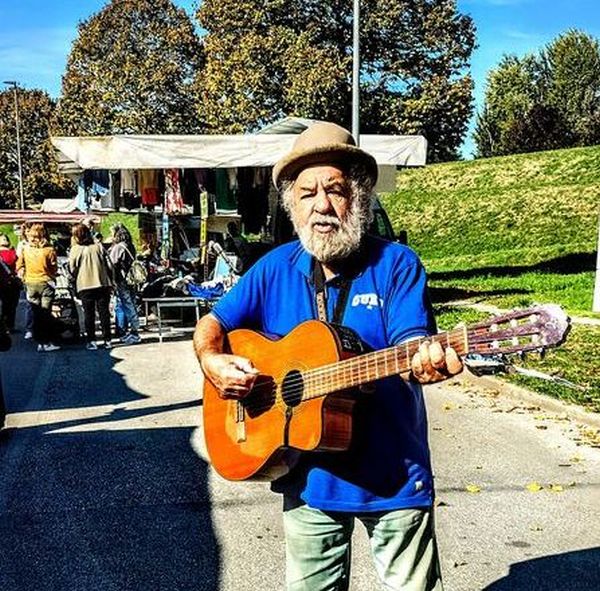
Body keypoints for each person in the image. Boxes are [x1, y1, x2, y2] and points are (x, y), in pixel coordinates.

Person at [193, 122, 464, 591]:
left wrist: (426, 360)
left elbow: (412, 341)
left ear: (358, 196)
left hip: (393, 475)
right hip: (307, 477)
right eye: (307, 193)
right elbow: (211, 324)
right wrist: (212, 361)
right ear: (291, 205)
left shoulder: (396, 264)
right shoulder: (274, 268)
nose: (321, 205)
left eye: (335, 190)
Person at [16, 223, 60, 352]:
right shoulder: (49, 250)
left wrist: (24, 274)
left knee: (35, 313)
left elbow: (19, 265)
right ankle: (46, 342)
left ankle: (39, 341)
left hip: (30, 283)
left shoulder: (25, 249)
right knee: (45, 314)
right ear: (43, 235)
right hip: (45, 282)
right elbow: (53, 267)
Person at [68, 223, 113, 350]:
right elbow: (109, 265)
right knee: (104, 312)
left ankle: (92, 341)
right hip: (102, 283)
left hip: (84, 285)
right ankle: (107, 339)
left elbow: (72, 269)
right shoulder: (98, 247)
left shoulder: (75, 250)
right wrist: (111, 280)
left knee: (89, 314)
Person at [108, 223, 141, 345]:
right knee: (131, 303)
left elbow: (111, 264)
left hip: (122, 280)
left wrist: (112, 280)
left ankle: (134, 331)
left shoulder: (118, 248)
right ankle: (132, 330)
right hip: (131, 280)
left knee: (127, 305)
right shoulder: (130, 246)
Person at [15, 223, 34, 339]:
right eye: (26, 231)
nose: (28, 233)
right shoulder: (22, 245)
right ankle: (30, 328)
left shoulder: (39, 243)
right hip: (28, 276)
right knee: (30, 304)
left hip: (36, 274)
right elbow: (19, 261)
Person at [0, 233, 21, 332]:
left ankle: (3, 325)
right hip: (11, 282)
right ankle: (9, 325)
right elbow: (18, 266)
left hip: (1, 282)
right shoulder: (13, 254)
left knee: (3, 305)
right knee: (11, 306)